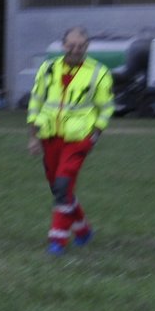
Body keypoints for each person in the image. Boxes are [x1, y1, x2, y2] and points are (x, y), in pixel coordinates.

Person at [26, 26, 113, 255]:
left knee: (63, 186)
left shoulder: (99, 72)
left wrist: (95, 135)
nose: (75, 50)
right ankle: (82, 229)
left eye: (80, 46)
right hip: (50, 137)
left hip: (78, 138)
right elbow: (36, 102)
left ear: (87, 46)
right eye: (71, 45)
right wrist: (33, 137)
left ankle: (58, 239)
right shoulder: (47, 69)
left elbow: (106, 109)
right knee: (58, 188)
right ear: (63, 45)